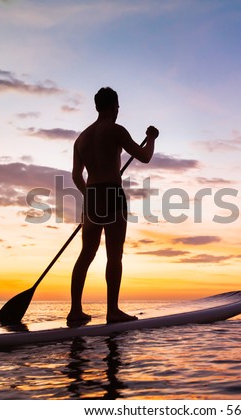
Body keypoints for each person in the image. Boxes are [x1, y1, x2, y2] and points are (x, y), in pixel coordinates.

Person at [69, 87, 158, 325]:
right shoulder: (116, 130)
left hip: (92, 196)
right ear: (114, 107)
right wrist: (151, 139)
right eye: (118, 107)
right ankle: (113, 311)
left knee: (86, 255)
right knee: (114, 255)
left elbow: (76, 176)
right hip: (111, 193)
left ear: (98, 106)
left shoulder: (81, 139)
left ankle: (75, 311)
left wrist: (89, 196)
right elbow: (145, 156)